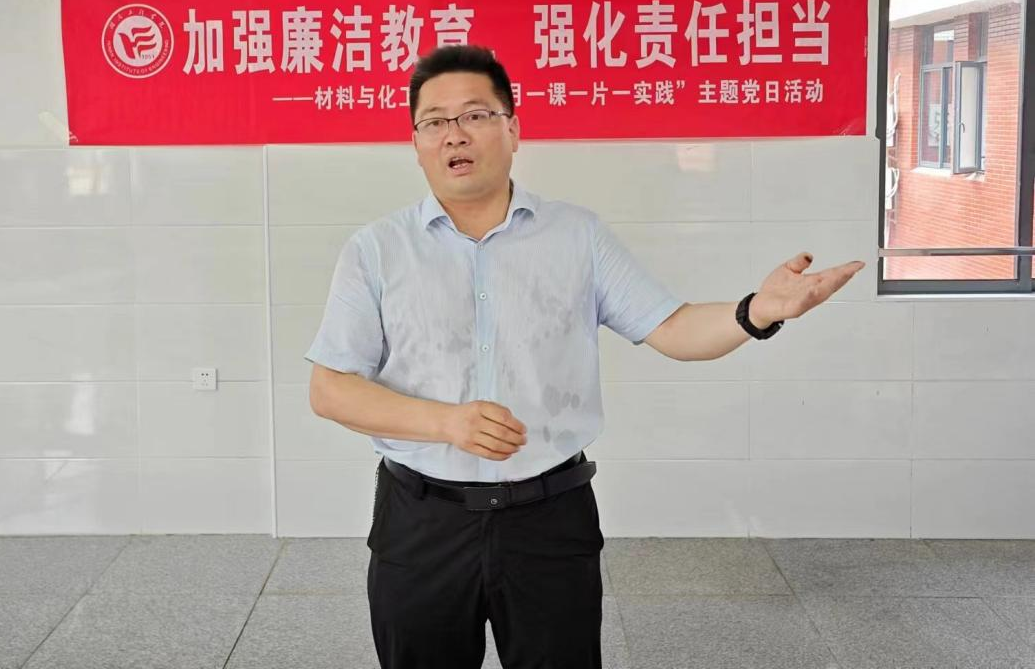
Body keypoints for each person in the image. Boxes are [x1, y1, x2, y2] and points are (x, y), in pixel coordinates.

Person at [305, 44, 864, 669]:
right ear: (416, 143)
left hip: (548, 520)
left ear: (513, 129)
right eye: (433, 121)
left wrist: (756, 310)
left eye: (475, 115)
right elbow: (331, 388)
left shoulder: (576, 236)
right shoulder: (377, 251)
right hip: (421, 522)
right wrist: (445, 423)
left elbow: (673, 327)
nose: (453, 134)